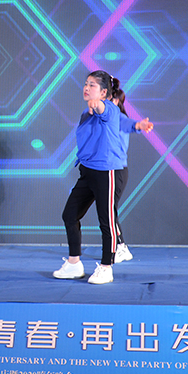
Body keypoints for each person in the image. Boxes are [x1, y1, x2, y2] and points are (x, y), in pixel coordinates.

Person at [54, 71, 124, 284]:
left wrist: (98, 103)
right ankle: (74, 264)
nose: (86, 87)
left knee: (106, 221)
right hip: (87, 172)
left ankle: (106, 267)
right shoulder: (86, 113)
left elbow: (102, 109)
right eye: (86, 83)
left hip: (106, 173)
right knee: (69, 215)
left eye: (92, 85)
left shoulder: (110, 109)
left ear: (103, 92)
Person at [111, 83, 154, 263]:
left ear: (115, 101)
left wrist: (139, 125)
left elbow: (129, 124)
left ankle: (120, 247)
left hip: (116, 170)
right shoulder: (104, 119)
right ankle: (119, 246)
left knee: (108, 211)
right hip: (107, 169)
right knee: (107, 210)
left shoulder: (118, 118)